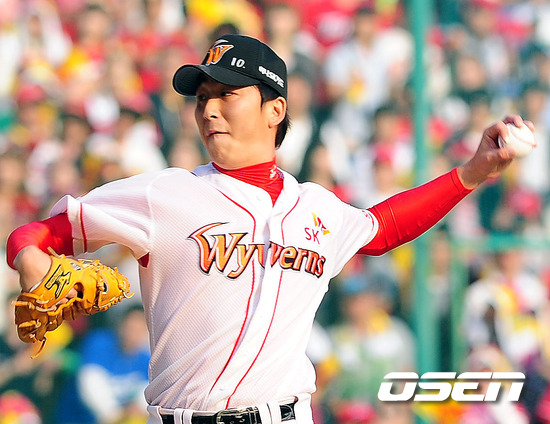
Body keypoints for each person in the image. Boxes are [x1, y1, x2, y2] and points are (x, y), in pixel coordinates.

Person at [5, 34, 530, 424]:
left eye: (227, 93)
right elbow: (36, 232)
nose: (209, 109)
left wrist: (472, 172)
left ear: (275, 108)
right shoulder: (164, 194)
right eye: (202, 97)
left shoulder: (316, 207)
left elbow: (383, 228)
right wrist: (31, 262)